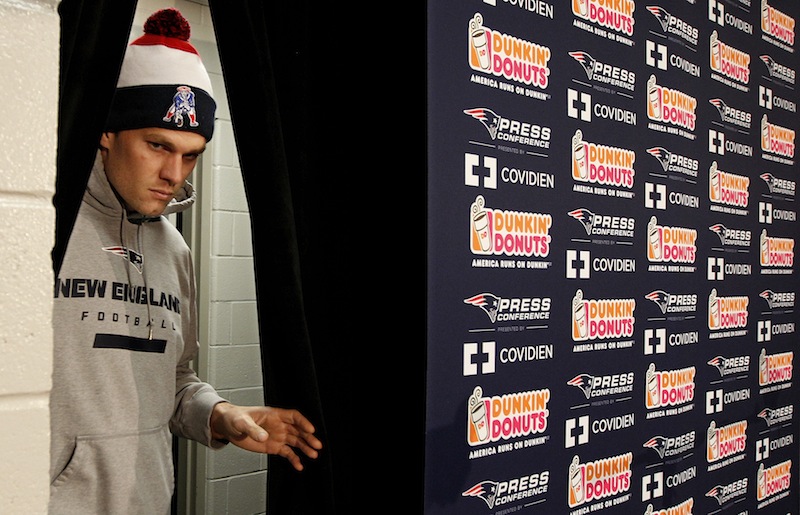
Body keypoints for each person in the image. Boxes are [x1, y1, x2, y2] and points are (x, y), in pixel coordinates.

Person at [50, 8, 322, 514]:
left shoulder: (174, 250)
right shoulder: (49, 227)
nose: (173, 173)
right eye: (157, 145)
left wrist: (219, 414)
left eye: (191, 154)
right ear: (107, 132)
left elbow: (175, 377)